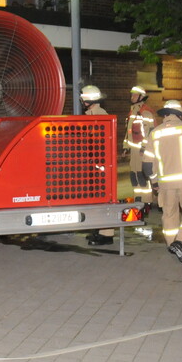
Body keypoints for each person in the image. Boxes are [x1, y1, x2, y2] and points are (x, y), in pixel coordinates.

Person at [143, 100, 182, 266]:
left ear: (165, 115)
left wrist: (154, 181)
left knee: (169, 215)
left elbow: (147, 164)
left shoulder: (155, 133)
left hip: (165, 184)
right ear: (179, 115)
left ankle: (173, 245)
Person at [80, 85, 114, 245]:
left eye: (83, 98)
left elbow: (101, 144)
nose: (81, 101)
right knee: (96, 198)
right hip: (96, 163)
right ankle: (99, 229)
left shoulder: (101, 116)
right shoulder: (92, 115)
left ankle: (106, 235)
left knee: (103, 198)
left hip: (101, 164)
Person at [124, 86, 156, 208]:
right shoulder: (132, 111)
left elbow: (149, 132)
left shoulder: (145, 112)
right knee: (134, 175)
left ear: (141, 97)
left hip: (142, 150)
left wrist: (144, 148)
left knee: (142, 175)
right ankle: (138, 198)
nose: (132, 97)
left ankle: (147, 201)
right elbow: (129, 131)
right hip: (134, 150)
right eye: (131, 95)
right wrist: (126, 146)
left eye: (135, 95)